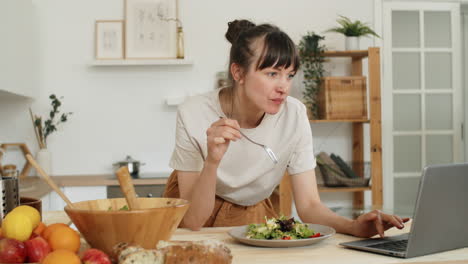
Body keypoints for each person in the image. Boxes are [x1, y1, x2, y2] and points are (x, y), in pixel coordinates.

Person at [164, 19, 409, 237]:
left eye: (289, 75)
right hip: (196, 205)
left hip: (251, 212)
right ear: (238, 72)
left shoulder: (295, 115)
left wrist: (354, 226)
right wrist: (212, 162)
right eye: (272, 73)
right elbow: (193, 221)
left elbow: (310, 206)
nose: (284, 87)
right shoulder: (193, 113)